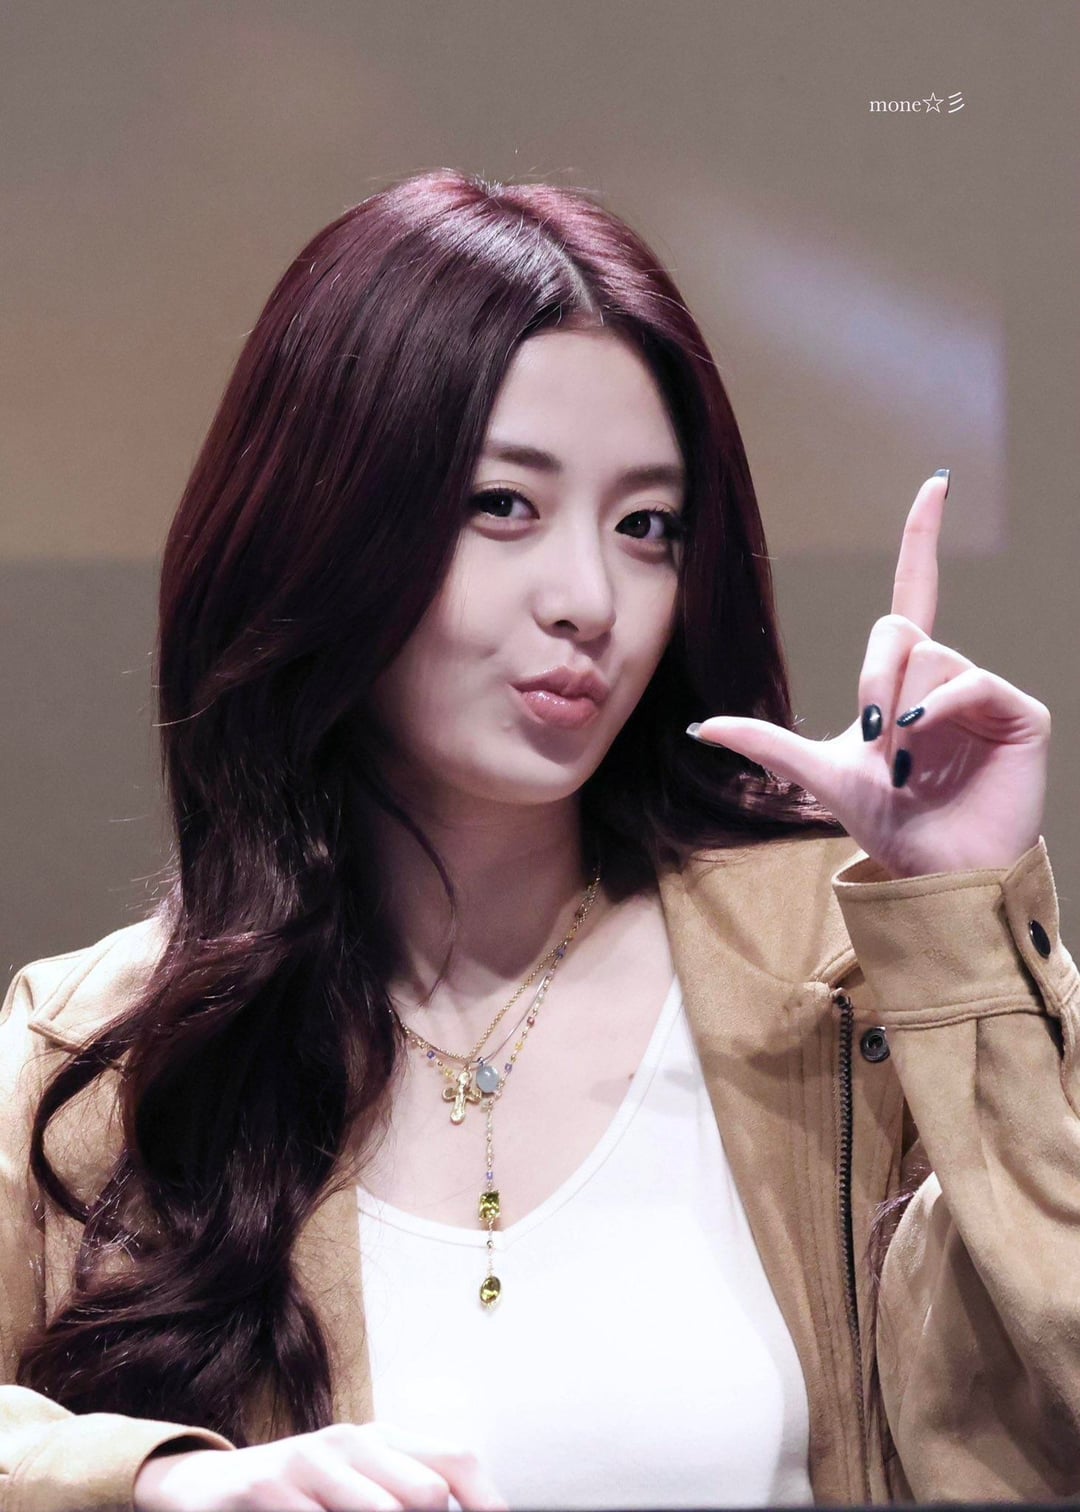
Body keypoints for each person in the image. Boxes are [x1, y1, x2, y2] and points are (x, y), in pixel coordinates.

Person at [1, 167, 1077, 1512]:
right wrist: (157, 1483)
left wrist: (962, 927)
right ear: (326, 523)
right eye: (503, 505)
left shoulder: (842, 966)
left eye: (646, 527)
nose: (589, 599)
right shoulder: (101, 1052)